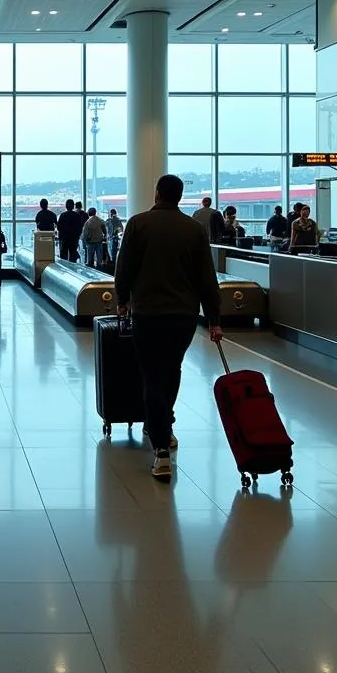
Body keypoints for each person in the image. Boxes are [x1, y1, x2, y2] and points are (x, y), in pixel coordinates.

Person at [114, 174, 222, 481]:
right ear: (179, 196)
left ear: (157, 192)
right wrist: (214, 319)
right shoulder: (193, 229)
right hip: (183, 316)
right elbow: (206, 278)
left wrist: (122, 300)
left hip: (147, 313)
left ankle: (160, 448)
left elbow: (125, 267)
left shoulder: (137, 224)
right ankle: (166, 426)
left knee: (151, 376)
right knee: (171, 370)